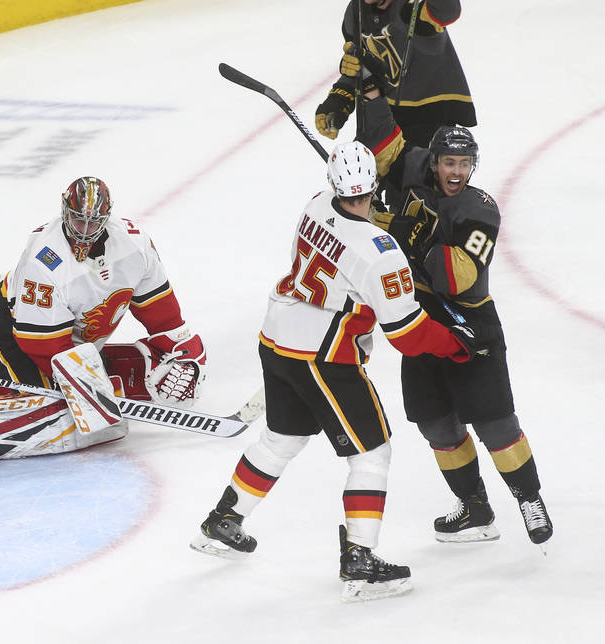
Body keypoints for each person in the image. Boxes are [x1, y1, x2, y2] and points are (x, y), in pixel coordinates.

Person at [189, 141, 484, 601]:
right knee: (372, 454)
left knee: (280, 440)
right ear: (372, 188)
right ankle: (360, 562)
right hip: (324, 357)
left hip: (276, 338)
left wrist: (375, 225)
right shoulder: (380, 252)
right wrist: (455, 345)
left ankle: (223, 520)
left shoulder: (313, 204)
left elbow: (344, 235)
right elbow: (405, 333)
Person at [356, 86, 553, 546]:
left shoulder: (480, 210)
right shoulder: (415, 166)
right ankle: (476, 509)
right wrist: (368, 94)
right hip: (418, 321)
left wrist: (414, 238)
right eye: (449, 163)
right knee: (436, 424)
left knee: (494, 422)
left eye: (464, 165)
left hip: (469, 324)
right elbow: (385, 143)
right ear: (435, 161)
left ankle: (528, 496)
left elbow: (457, 278)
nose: (457, 173)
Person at [0, 176, 208, 467]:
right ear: (64, 212)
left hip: (74, 341)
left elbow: (164, 317)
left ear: (106, 217)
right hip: (12, 334)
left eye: (93, 222)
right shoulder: (44, 260)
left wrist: (183, 353)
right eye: (77, 220)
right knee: (85, 416)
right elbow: (44, 346)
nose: (84, 231)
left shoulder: (136, 245)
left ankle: (4, 379)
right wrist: (87, 395)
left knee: (107, 400)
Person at [315, 0, 475, 150]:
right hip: (383, 118)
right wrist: (339, 100)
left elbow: (448, 10)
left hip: (430, 122)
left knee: (416, 176)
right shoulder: (355, 12)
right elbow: (363, 66)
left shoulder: (412, 8)